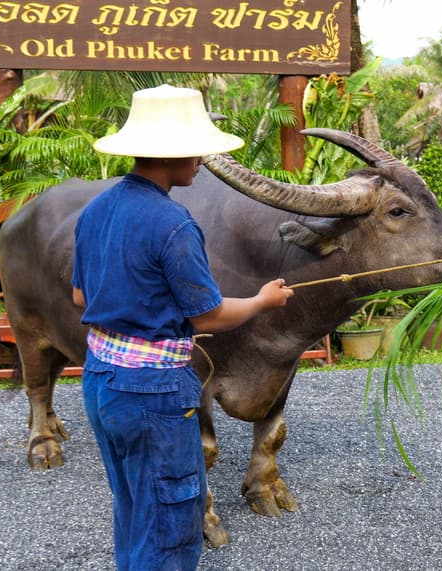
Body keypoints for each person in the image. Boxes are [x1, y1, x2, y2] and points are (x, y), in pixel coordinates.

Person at [71, 84, 294, 571]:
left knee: (133, 508)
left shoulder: (96, 210)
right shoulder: (174, 223)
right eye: (196, 147)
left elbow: (80, 297)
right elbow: (207, 317)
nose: (202, 158)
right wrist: (262, 300)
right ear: (173, 153)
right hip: (153, 392)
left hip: (101, 378)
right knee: (171, 523)